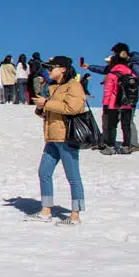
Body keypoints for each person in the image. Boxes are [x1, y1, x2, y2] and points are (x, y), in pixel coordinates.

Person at [32, 56, 86, 223]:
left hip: (66, 137)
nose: (48, 70)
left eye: (51, 67)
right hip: (52, 136)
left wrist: (47, 103)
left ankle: (75, 214)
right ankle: (46, 210)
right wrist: (41, 108)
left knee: (73, 176)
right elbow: (50, 109)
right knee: (44, 173)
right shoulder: (53, 87)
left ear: (62, 69)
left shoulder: (73, 86)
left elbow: (74, 107)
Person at [100, 50, 139, 154]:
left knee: (112, 126)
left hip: (114, 103)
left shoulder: (112, 73)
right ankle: (126, 147)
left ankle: (110, 147)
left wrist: (106, 104)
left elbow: (108, 90)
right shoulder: (131, 73)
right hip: (127, 103)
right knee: (126, 126)